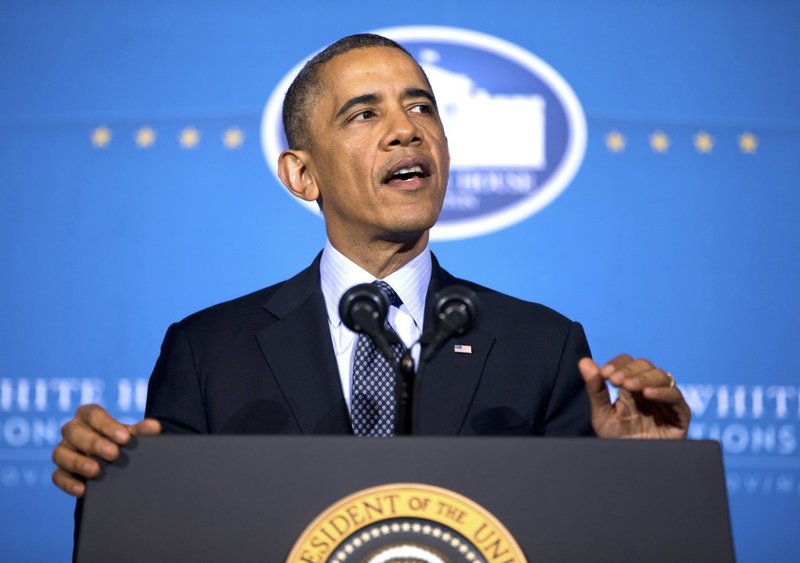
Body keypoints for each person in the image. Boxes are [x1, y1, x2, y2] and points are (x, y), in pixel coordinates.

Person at [52, 33, 691, 499]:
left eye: (421, 107)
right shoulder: (208, 351)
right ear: (301, 174)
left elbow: (587, 538)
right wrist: (109, 483)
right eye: (364, 113)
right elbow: (161, 535)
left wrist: (641, 478)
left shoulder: (545, 349)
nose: (405, 131)